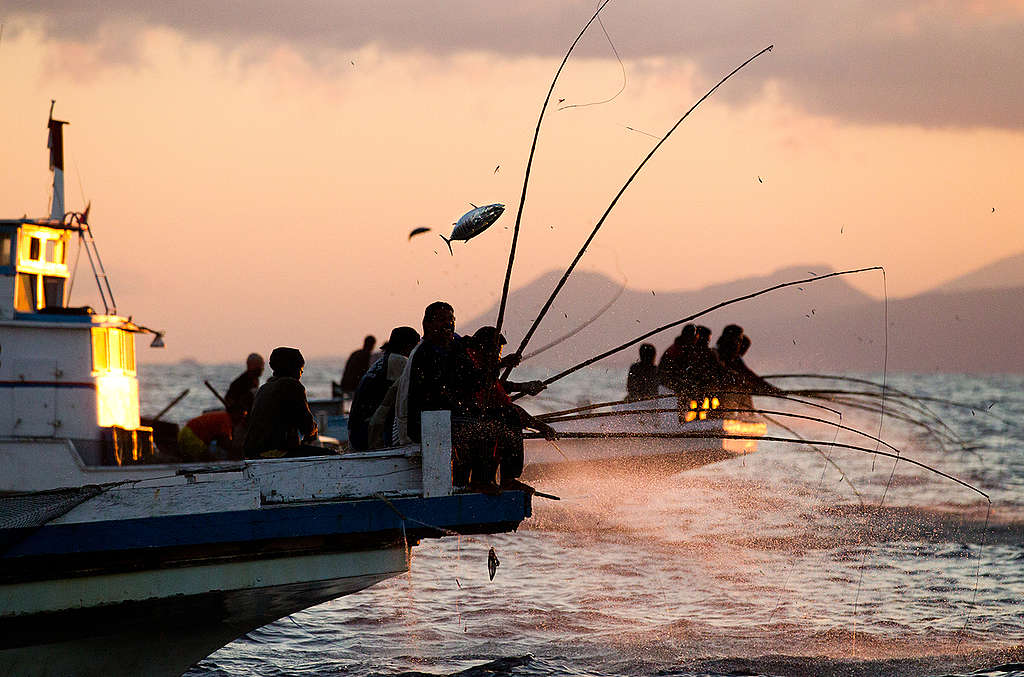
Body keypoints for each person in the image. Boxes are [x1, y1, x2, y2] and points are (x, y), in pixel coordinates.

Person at [448, 326, 555, 488]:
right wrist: (539, 425)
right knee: (508, 419)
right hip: (463, 422)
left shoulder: (481, 365)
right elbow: (505, 405)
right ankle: (502, 480)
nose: (498, 356)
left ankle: (489, 480)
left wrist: (523, 387)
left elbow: (496, 387)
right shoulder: (471, 363)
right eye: (497, 351)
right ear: (483, 349)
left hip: (468, 421)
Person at [394, 301, 458, 446]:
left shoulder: (443, 350)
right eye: (442, 320)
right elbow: (435, 396)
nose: (448, 324)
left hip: (434, 422)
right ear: (427, 324)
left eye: (451, 319)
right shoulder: (424, 354)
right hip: (420, 429)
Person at [348, 326, 420, 450]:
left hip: (355, 430)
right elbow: (404, 399)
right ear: (408, 346)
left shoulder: (382, 361)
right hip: (369, 432)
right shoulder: (399, 361)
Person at [243, 347, 320, 458]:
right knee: (331, 455)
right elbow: (307, 426)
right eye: (300, 368)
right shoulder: (292, 385)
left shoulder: (264, 388)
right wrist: (313, 432)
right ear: (292, 368)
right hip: (275, 452)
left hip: (252, 453)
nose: (302, 372)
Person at [224, 352, 264, 453]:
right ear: (251, 366)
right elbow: (229, 400)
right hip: (240, 422)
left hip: (250, 421)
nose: (262, 370)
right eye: (259, 368)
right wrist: (239, 413)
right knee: (239, 447)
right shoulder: (240, 383)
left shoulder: (254, 380)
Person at [657, 325, 696, 391]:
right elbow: (665, 373)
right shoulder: (675, 351)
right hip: (669, 387)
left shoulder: (689, 350)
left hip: (679, 384)